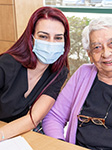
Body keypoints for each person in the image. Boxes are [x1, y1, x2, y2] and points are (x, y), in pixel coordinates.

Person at [43, 17, 112, 150]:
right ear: (90, 55)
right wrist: (60, 145)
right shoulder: (83, 74)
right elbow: (54, 117)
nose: (106, 53)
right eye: (97, 47)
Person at [0, 6, 70, 141]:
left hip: (14, 134)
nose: (51, 43)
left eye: (58, 38)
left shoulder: (59, 72)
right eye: (43, 36)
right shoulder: (6, 64)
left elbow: (34, 118)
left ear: (64, 41)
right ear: (31, 38)